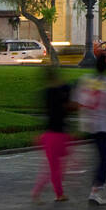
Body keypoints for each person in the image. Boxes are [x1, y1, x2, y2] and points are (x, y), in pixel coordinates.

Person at [74, 54, 106, 204]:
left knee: (102, 157)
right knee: (104, 159)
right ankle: (96, 189)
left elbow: (78, 102)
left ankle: (104, 184)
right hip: (104, 126)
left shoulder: (85, 81)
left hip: (90, 125)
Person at [32, 66, 73, 203]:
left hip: (50, 134)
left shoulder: (46, 92)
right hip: (58, 135)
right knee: (56, 168)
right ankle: (52, 193)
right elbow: (66, 107)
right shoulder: (60, 91)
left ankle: (56, 193)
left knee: (55, 167)